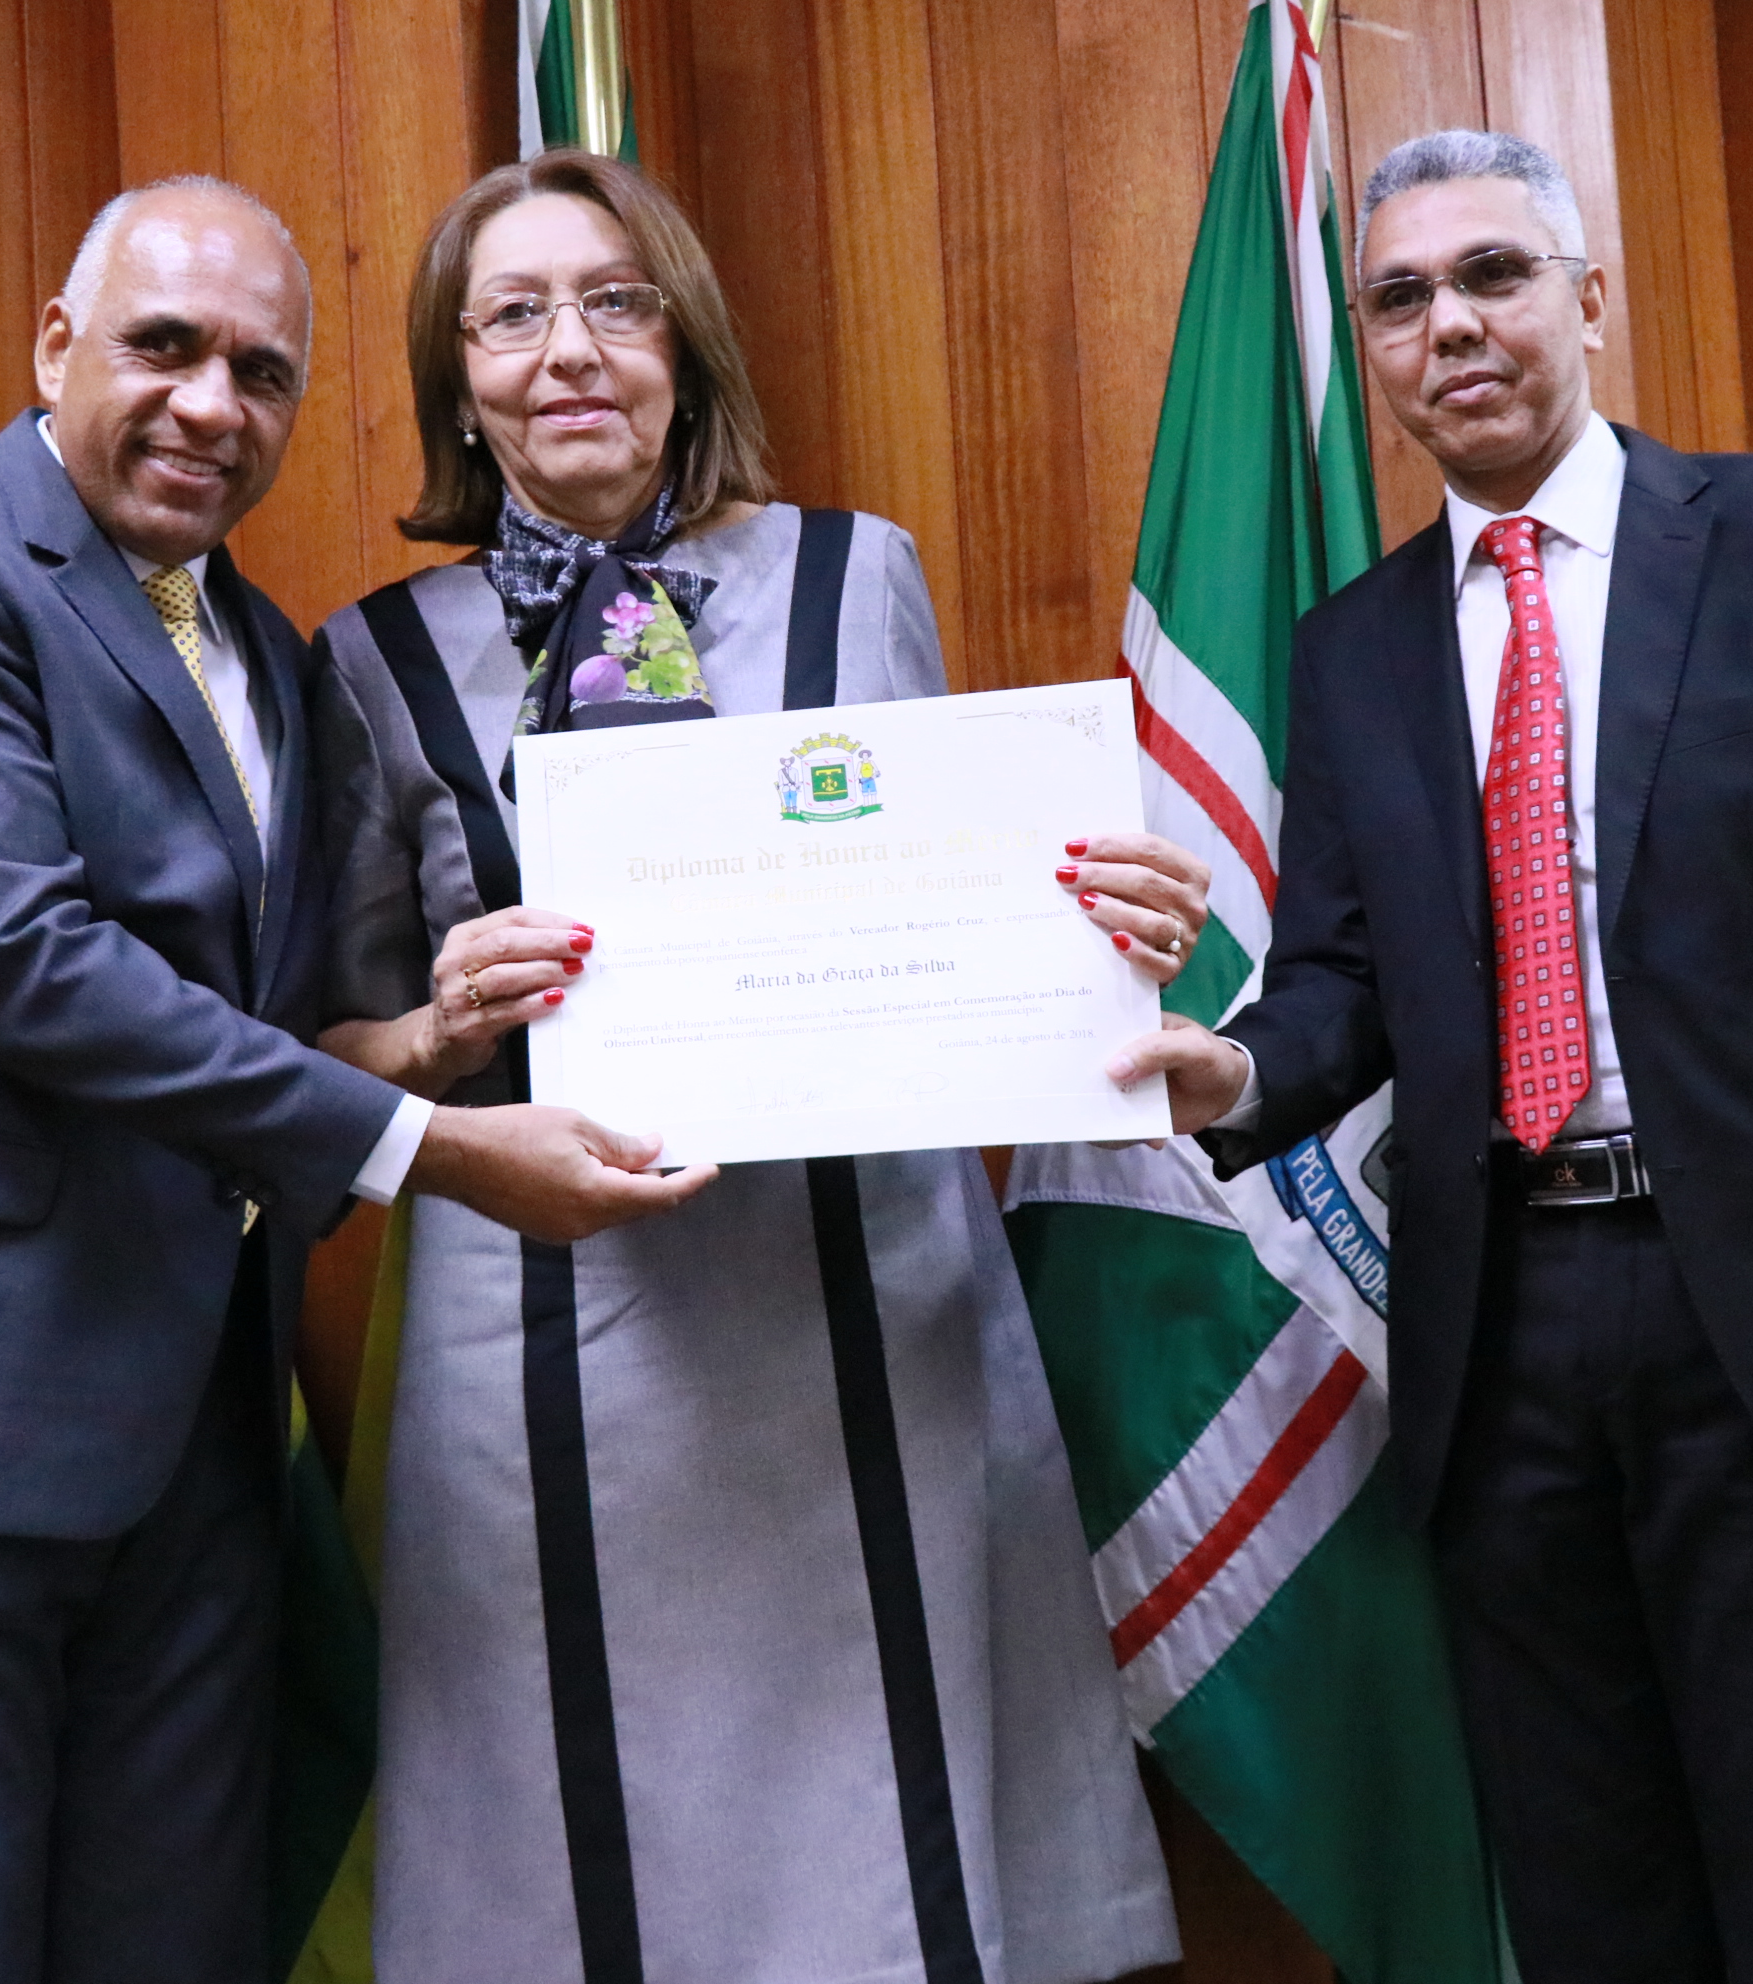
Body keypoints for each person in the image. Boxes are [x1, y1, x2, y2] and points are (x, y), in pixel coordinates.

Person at [0, 176, 711, 1984]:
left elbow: (259, 1019)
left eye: (262, 371)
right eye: (164, 346)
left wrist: (431, 1039)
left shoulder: (276, 660)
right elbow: (26, 966)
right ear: (56, 346)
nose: (212, 403)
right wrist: (438, 1145)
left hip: (195, 1443)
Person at [1111, 131, 1753, 1982]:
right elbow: (1341, 982)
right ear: (1376, 355)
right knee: (1587, 1895)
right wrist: (1225, 1076)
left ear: (1588, 297)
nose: (1450, 325)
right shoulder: (1355, 646)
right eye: (1401, 300)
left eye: (1493, 276)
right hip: (1499, 1336)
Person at [310, 149, 1188, 1984]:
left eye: (614, 302)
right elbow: (332, 1047)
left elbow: (967, 904)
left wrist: (1096, 937)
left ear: (684, 343)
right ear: (456, 377)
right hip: (545, 1328)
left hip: (856, 1296)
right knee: (565, 1839)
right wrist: (442, 1027)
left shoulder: (856, 576)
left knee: (881, 1832)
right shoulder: (373, 658)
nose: (569, 351)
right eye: (512, 314)